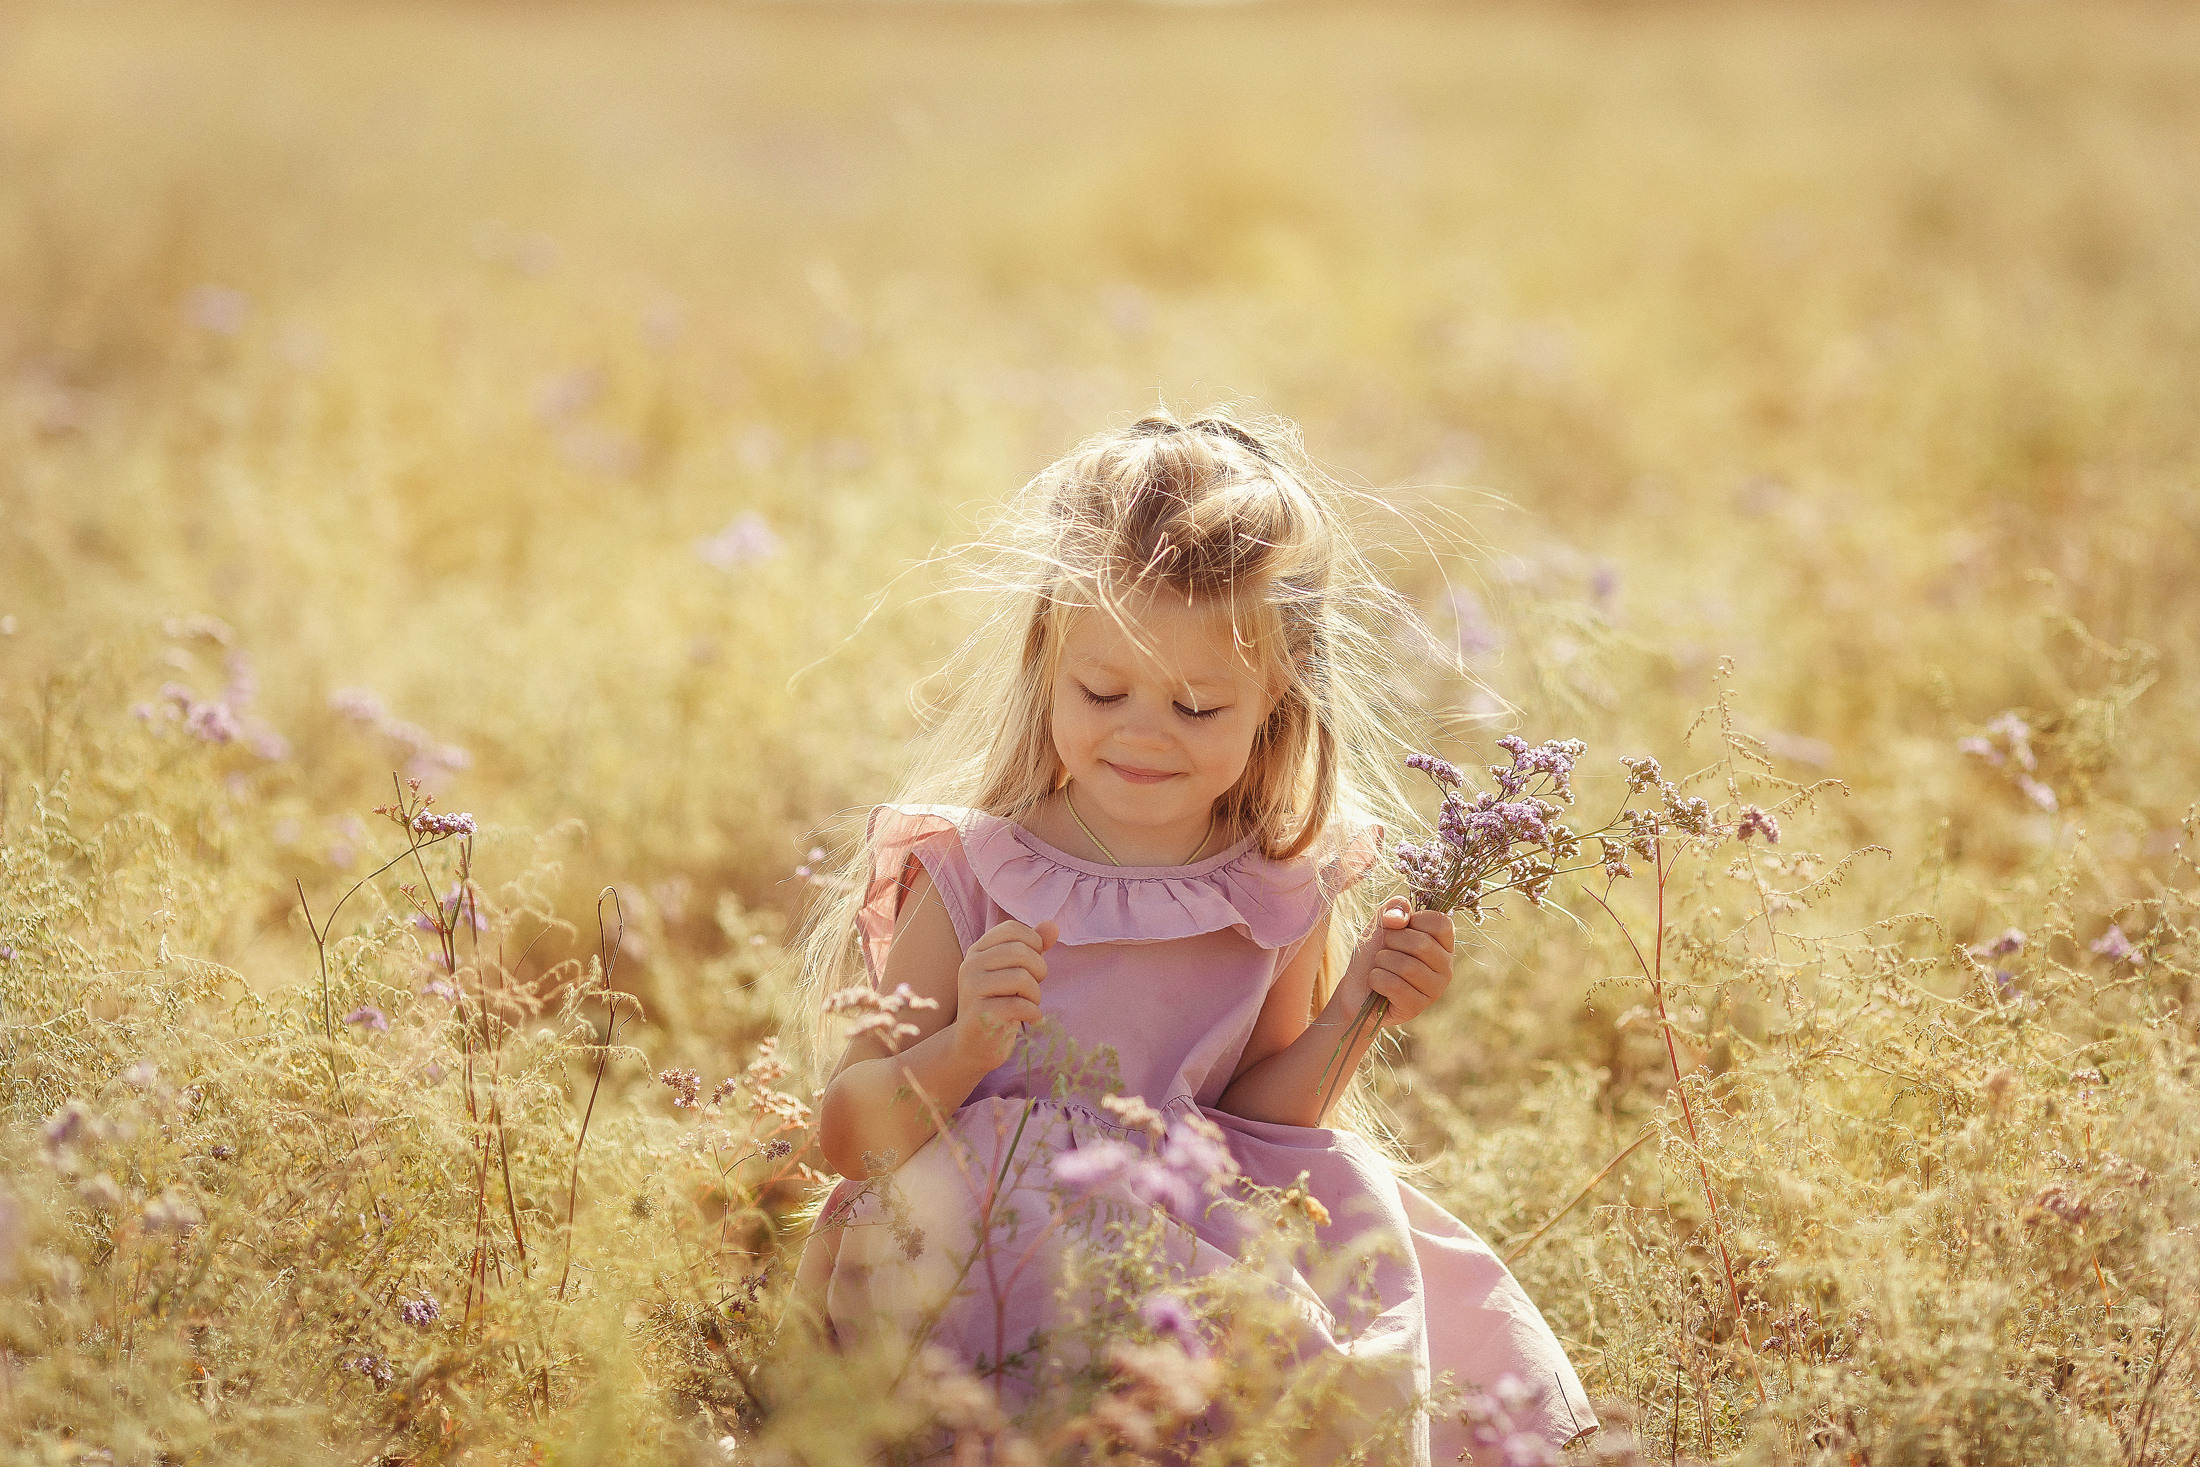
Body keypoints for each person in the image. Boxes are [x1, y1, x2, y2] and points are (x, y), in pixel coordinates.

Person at [788, 408, 1595, 1464]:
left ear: (1276, 693)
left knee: (1344, 1281)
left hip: (1184, 1239)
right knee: (1044, 1236)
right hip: (972, 1244)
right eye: (1103, 690)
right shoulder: (975, 870)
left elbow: (1260, 1129)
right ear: (1046, 657)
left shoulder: (1277, 883)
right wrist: (964, 1046)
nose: (1144, 732)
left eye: (1198, 706)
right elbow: (849, 1136)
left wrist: (1359, 1008)